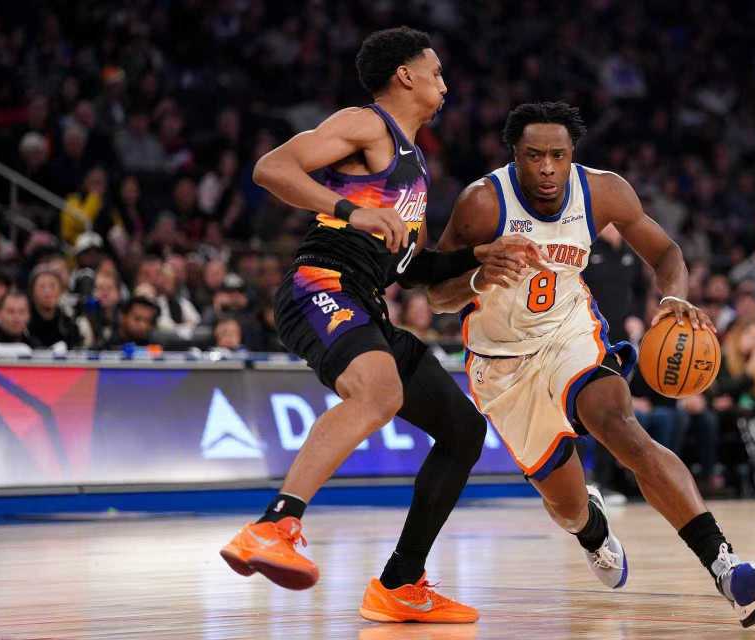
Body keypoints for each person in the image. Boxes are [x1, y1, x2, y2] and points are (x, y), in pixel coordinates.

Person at [219, 27, 543, 624]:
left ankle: (401, 583)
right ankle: (273, 526)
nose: (445, 85)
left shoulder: (414, 167)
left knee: (464, 430)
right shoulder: (366, 125)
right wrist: (350, 210)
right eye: (436, 72)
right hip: (321, 283)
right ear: (405, 75)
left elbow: (410, 268)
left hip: (366, 299)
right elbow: (271, 168)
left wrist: (478, 258)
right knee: (379, 393)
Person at [427, 102, 755, 628]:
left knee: (620, 426)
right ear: (515, 155)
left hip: (569, 333)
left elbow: (667, 253)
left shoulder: (603, 191)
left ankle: (726, 566)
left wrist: (673, 298)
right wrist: (478, 275)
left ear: (572, 154)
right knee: (566, 506)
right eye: (534, 156)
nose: (547, 167)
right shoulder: (482, 203)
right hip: (502, 363)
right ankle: (592, 529)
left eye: (558, 155)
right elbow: (436, 295)